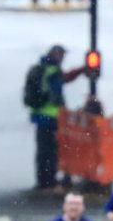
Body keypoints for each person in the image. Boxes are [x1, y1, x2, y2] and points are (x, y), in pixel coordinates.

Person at [25, 44, 85, 190]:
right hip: (51, 118)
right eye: (62, 55)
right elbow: (59, 87)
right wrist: (82, 70)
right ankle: (48, 181)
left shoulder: (42, 68)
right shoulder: (52, 71)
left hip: (40, 116)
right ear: (56, 55)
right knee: (50, 152)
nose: (63, 58)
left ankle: (43, 180)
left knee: (43, 151)